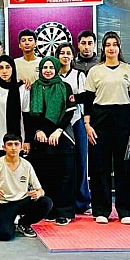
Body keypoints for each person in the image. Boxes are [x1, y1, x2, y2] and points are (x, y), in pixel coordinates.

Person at [83, 32, 130, 225]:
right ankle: (101, 210)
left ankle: (126, 210)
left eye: (114, 44)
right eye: (107, 44)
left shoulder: (129, 70)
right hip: (100, 120)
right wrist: (87, 124)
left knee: (124, 167)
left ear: (119, 47)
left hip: (124, 120)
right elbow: (88, 101)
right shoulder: (95, 71)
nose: (111, 48)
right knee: (100, 167)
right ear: (103, 48)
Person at [27, 56, 77, 225]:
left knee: (64, 176)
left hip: (62, 135)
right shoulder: (34, 87)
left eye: (51, 67)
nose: (48, 70)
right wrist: (39, 130)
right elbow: (30, 114)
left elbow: (69, 112)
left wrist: (58, 131)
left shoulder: (65, 87)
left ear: (56, 69)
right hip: (41, 137)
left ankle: (64, 212)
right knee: (45, 174)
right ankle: (49, 210)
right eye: (44, 67)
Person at [0, 133, 52, 241]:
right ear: (4, 147)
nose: (13, 148)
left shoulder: (27, 165)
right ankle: (8, 224)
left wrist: (38, 193)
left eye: (16, 144)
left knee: (46, 202)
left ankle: (24, 223)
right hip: (3, 203)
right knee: (5, 235)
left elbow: (40, 190)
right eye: (9, 144)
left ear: (21, 147)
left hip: (22, 201)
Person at [55, 43, 91, 215]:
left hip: (77, 120)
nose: (65, 56)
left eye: (68, 53)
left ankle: (83, 201)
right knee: (62, 164)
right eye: (62, 53)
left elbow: (85, 97)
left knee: (82, 162)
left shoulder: (79, 75)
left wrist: (67, 99)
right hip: (58, 122)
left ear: (72, 56)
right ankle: (64, 201)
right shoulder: (53, 75)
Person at [0, 55, 30, 166]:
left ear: (13, 68)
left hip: (17, 140)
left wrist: (27, 140)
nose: (4, 71)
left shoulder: (22, 87)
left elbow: (26, 115)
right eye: (1, 68)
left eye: (8, 67)